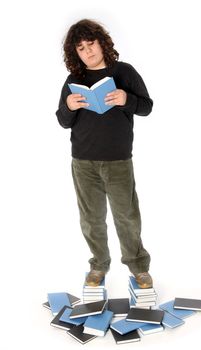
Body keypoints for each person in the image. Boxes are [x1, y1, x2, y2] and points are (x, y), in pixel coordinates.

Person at [56, 19, 153, 288]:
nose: (88, 51)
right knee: (91, 219)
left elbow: (146, 107)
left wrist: (126, 99)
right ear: (75, 53)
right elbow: (63, 121)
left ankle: (138, 266)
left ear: (102, 42)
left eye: (91, 44)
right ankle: (98, 264)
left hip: (118, 160)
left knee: (127, 216)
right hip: (83, 162)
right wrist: (68, 105)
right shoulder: (73, 80)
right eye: (81, 48)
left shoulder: (124, 72)